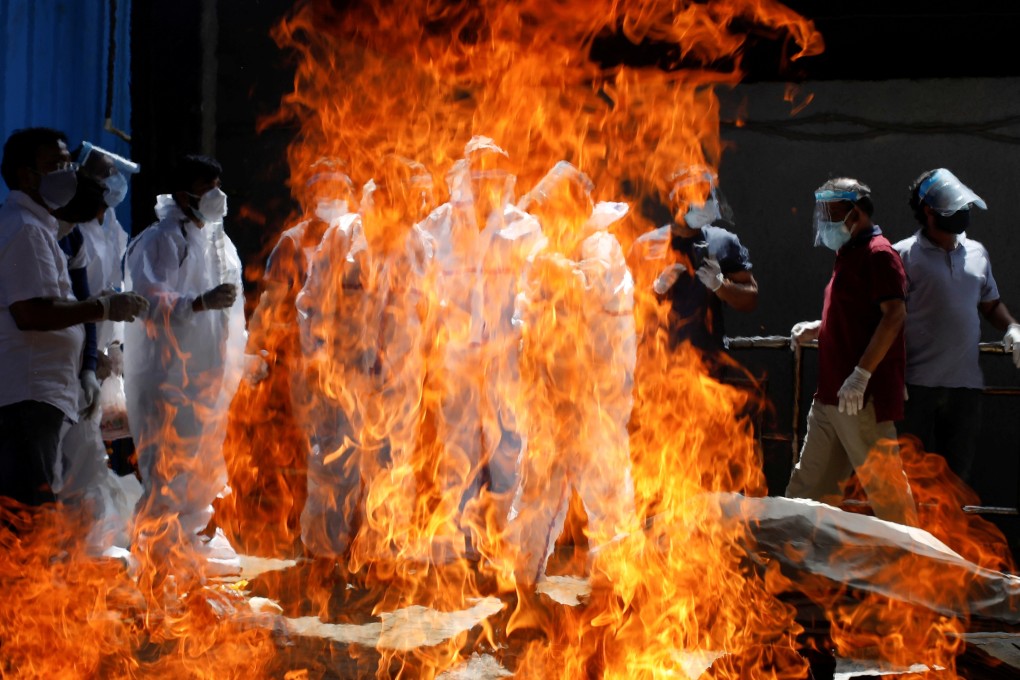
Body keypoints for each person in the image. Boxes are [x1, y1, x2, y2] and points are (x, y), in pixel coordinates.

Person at [295, 156, 435, 565]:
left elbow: (427, 310)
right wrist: (319, 357)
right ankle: (324, 555)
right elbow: (312, 303)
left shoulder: (419, 242)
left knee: (391, 467)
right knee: (336, 464)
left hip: (398, 378)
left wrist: (424, 364)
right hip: (344, 376)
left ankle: (381, 558)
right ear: (384, 195)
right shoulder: (344, 235)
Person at [0, 127, 147, 511]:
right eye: (56, 165)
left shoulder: (40, 226)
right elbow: (30, 313)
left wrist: (89, 363)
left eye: (68, 164)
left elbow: (65, 298)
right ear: (26, 175)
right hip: (28, 389)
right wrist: (102, 309)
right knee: (30, 509)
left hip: (48, 388)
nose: (67, 173)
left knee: (43, 498)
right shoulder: (25, 228)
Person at [507, 161, 637, 588]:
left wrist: (558, 272)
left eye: (550, 210)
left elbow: (588, 292)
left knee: (607, 496)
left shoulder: (601, 248)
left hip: (595, 401)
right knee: (536, 492)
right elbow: (527, 320)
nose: (544, 220)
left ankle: (616, 591)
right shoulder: (546, 254)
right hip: (551, 399)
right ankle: (522, 583)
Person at [418, 136, 544, 561]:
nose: (484, 184)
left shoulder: (523, 228)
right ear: (467, 177)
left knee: (508, 448)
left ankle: (505, 542)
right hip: (454, 357)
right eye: (478, 176)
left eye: (492, 176)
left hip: (505, 357)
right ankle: (460, 543)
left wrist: (520, 333)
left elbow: (535, 287)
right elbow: (417, 278)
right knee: (457, 450)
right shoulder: (440, 224)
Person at [123, 154, 246, 579]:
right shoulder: (159, 241)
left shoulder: (221, 244)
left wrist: (241, 357)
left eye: (218, 185)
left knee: (201, 466)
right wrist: (197, 302)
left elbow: (233, 313)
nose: (216, 195)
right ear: (182, 194)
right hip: (167, 376)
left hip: (208, 377)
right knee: (167, 466)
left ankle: (191, 545)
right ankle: (157, 555)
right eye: (206, 187)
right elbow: (146, 299)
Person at [787, 177, 918, 527]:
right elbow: (858, 313)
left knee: (887, 493)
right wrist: (820, 327)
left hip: (861, 399)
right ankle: (792, 553)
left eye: (830, 215)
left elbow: (894, 315)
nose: (824, 224)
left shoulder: (879, 254)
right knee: (807, 487)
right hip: (830, 395)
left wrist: (861, 375)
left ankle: (912, 559)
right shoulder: (848, 254)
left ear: (856, 214)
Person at [893, 168, 1020, 484]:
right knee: (908, 479)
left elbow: (990, 304)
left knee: (955, 481)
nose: (962, 212)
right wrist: (888, 372)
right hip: (915, 388)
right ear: (928, 211)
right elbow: (884, 316)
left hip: (964, 388)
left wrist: (1012, 328)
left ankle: (950, 522)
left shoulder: (977, 253)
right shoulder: (902, 255)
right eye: (953, 207)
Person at [628, 165, 757, 369]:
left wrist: (720, 285)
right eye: (699, 195)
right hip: (655, 366)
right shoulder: (646, 246)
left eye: (708, 195)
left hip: (707, 366)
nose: (706, 202)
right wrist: (655, 291)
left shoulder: (723, 242)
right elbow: (622, 310)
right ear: (677, 202)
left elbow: (750, 300)